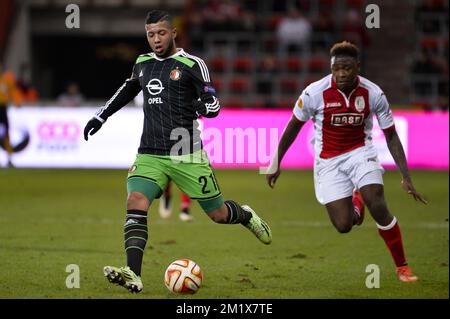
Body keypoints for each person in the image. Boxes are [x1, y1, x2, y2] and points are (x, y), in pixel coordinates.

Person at [83, 10, 272, 293]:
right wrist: (101, 115)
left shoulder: (192, 64)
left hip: (187, 151)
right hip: (149, 152)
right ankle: (133, 273)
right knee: (135, 201)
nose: (155, 40)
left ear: (173, 33)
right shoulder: (142, 63)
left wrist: (207, 106)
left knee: (219, 214)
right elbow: (127, 89)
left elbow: (213, 101)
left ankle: (245, 215)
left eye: (161, 33)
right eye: (150, 34)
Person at [266, 41, 427, 283]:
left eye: (346, 68)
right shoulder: (314, 93)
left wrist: (406, 176)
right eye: (336, 68)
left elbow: (391, 135)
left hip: (361, 152)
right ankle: (356, 201)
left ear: (357, 68)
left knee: (377, 200)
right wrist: (276, 160)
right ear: (331, 68)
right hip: (328, 161)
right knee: (344, 225)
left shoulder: (373, 93)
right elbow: (293, 127)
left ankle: (402, 266)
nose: (341, 73)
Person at [0, 62, 21, 168]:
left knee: (7, 133)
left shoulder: (6, 80)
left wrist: (17, 101)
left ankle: (9, 158)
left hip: (2, 108)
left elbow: (13, 92)